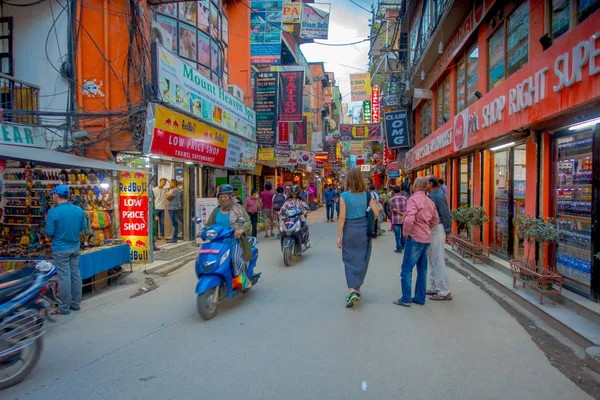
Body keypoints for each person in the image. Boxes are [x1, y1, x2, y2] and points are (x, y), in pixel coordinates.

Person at [393, 177, 439, 307]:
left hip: (414, 237)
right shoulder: (429, 201)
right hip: (425, 238)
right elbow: (435, 220)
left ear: (416, 186)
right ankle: (419, 297)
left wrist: (406, 232)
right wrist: (425, 226)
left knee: (406, 269)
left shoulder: (413, 200)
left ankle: (406, 299)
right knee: (422, 270)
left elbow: (409, 218)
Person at [337, 168, 380, 308]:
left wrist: (339, 236)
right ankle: (357, 289)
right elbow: (377, 212)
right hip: (363, 231)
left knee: (349, 259)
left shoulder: (344, 196)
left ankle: (352, 291)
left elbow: (342, 217)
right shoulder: (367, 195)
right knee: (362, 258)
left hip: (349, 230)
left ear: (348, 180)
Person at [45, 185, 87, 315]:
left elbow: (49, 232)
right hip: (74, 246)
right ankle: (75, 304)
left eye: (53, 194)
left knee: (64, 277)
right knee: (75, 274)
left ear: (56, 195)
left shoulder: (53, 212)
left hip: (60, 248)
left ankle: (64, 308)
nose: (52, 196)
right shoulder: (78, 210)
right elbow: (83, 228)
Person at [206, 184, 253, 290]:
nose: (223, 199)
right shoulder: (216, 210)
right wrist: (203, 231)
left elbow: (247, 221)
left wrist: (241, 229)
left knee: (236, 259)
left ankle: (243, 280)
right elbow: (209, 224)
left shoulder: (238, 209)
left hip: (234, 241)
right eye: (221, 197)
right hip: (218, 243)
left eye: (225, 197)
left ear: (230, 197)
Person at [426, 175, 453, 301]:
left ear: (430, 184)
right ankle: (435, 287)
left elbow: (445, 214)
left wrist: (447, 231)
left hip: (438, 228)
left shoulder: (438, 197)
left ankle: (444, 291)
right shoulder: (432, 196)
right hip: (433, 229)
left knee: (437, 259)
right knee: (432, 258)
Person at [280, 185, 309, 250]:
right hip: (289, 218)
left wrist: (305, 211)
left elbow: (305, 207)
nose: (294, 195)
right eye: (293, 193)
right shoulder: (287, 201)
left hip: (299, 218)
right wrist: (281, 211)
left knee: (303, 224)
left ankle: (302, 242)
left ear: (298, 193)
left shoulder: (301, 201)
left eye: (295, 193)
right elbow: (283, 208)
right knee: (282, 223)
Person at [389, 185, 407, 254]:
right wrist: (403, 213)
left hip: (395, 219)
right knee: (403, 233)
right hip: (403, 218)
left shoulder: (391, 199)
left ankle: (399, 248)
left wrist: (399, 212)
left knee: (397, 234)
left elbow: (392, 209)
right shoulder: (404, 198)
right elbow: (407, 207)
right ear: (400, 191)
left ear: (393, 191)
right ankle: (403, 245)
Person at [166, 179, 181, 243]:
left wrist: (168, 194)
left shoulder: (175, 191)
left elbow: (168, 198)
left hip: (173, 208)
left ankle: (174, 238)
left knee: (175, 223)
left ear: (174, 183)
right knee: (174, 222)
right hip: (172, 208)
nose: (170, 184)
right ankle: (174, 237)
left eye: (171, 183)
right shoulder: (173, 190)